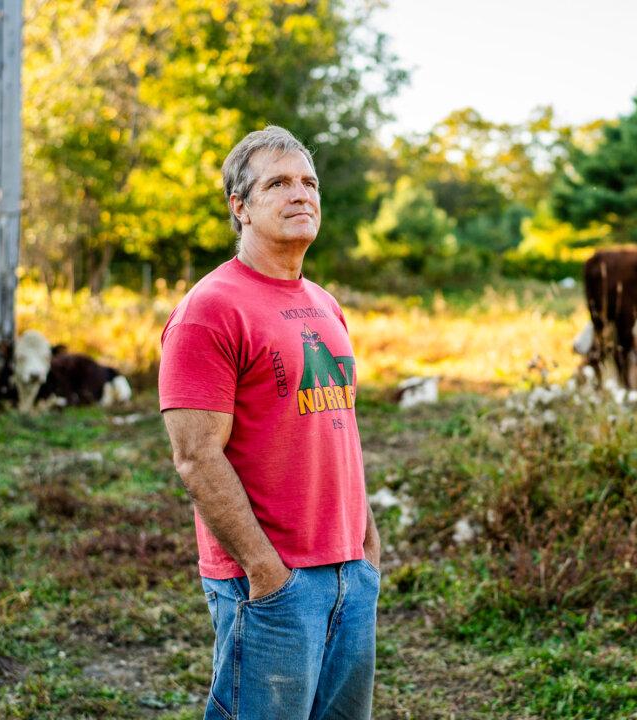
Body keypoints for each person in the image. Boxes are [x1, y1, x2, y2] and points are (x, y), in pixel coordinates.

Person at [159, 126, 381, 720]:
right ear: (240, 206)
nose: (300, 194)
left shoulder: (324, 302)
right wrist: (264, 571)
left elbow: (337, 429)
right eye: (278, 183)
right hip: (272, 585)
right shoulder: (209, 310)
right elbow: (196, 456)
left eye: (308, 182)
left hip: (348, 575)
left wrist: (366, 543)